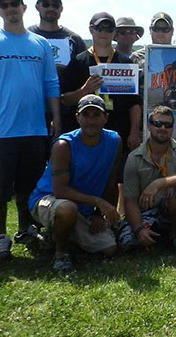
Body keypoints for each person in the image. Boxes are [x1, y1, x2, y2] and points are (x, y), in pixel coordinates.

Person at [0, 0, 61, 261]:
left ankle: (26, 230)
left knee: (29, 186)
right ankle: (1, 237)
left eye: (15, 5)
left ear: (24, 8)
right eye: (4, 5)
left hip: (35, 129)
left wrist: (56, 116)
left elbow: (51, 83)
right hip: (1, 130)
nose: (10, 9)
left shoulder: (40, 44)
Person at [29, 95, 121, 273]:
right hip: (49, 198)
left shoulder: (115, 141)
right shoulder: (64, 145)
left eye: (96, 115)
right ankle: (60, 254)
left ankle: (56, 236)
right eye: (86, 115)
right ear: (77, 117)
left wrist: (99, 215)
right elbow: (60, 190)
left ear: (106, 118)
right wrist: (98, 202)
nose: (91, 121)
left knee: (110, 248)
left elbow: (111, 179)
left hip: (84, 207)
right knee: (67, 209)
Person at [61, 12, 143, 153]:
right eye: (99, 28)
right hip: (85, 135)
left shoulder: (126, 63)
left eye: (108, 29)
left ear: (114, 33)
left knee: (117, 173)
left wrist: (134, 132)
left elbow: (134, 103)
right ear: (91, 29)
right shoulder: (78, 62)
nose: (104, 33)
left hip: (120, 134)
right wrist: (84, 90)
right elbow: (64, 100)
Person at [120, 106, 176, 249]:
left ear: (172, 129)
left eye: (168, 125)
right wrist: (138, 229)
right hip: (144, 210)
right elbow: (130, 201)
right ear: (149, 126)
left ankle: (174, 233)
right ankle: (150, 233)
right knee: (128, 244)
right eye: (158, 123)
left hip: (169, 209)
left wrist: (159, 183)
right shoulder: (134, 158)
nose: (163, 128)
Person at [26, 0, 87, 131]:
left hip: (67, 109)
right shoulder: (26, 36)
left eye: (55, 5)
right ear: (37, 7)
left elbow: (83, 73)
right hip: (32, 108)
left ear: (61, 9)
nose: (51, 8)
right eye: (46, 4)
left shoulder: (74, 39)